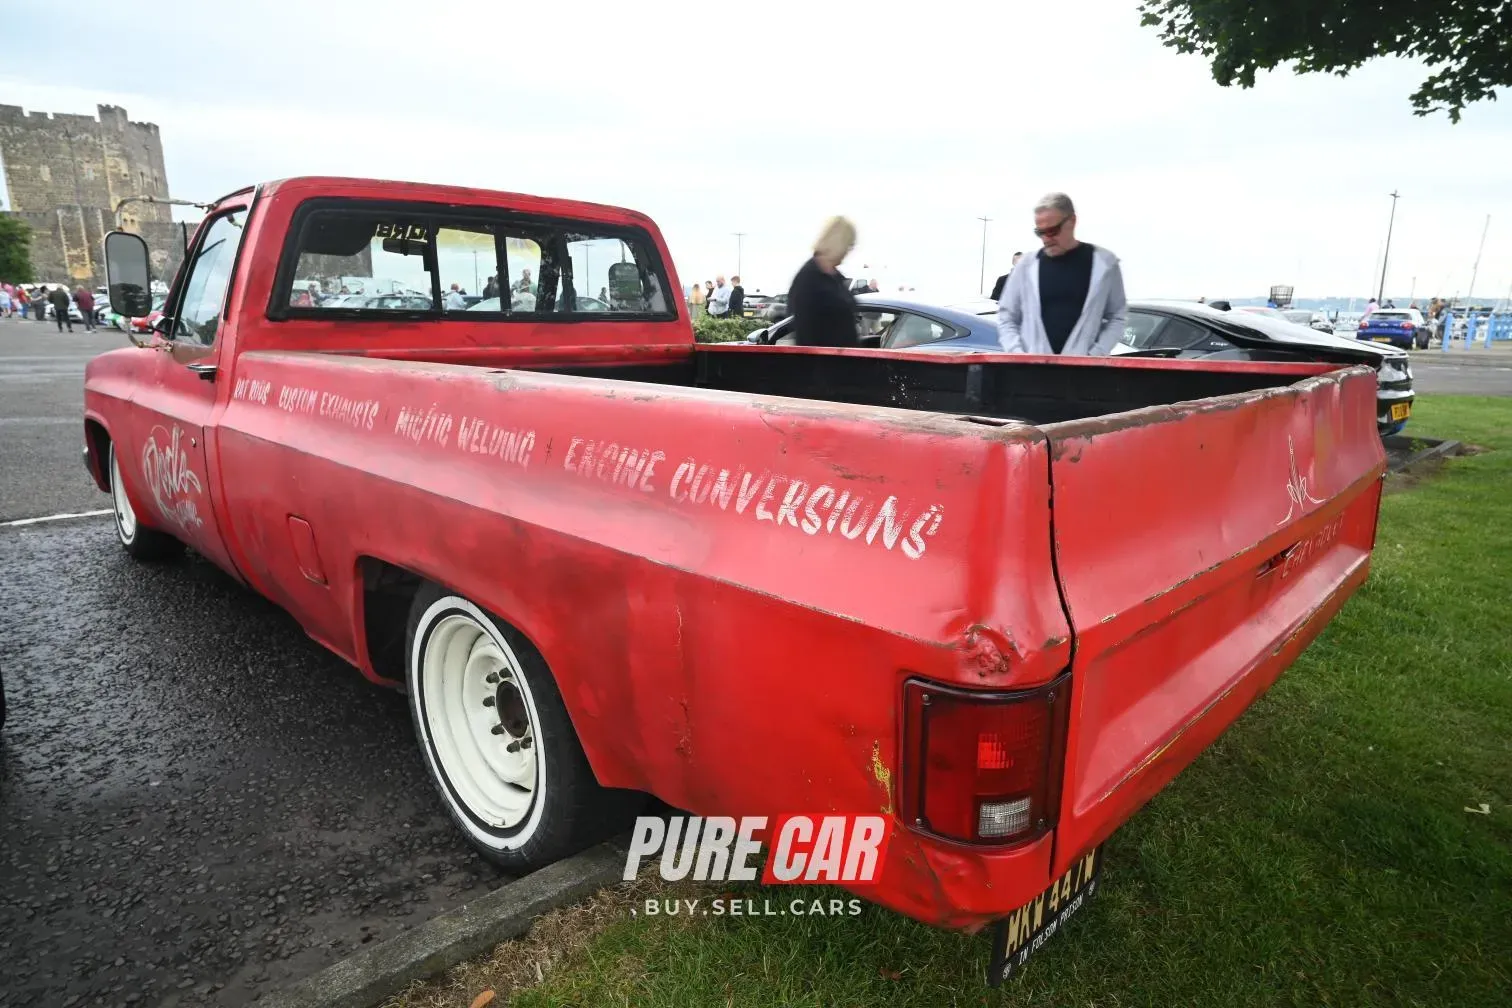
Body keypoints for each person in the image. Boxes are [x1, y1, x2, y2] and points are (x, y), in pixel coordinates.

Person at [996, 193, 1126, 356]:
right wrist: (1018, 354)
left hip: (1084, 373)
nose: (1046, 238)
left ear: (1072, 221)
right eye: (1040, 232)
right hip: (1031, 372)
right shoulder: (1026, 265)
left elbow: (1117, 316)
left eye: (1052, 231)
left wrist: (1096, 354)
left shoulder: (1105, 263)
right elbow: (1006, 316)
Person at [786, 215, 860, 347]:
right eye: (848, 246)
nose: (848, 252)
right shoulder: (808, 279)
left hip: (844, 361)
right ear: (838, 243)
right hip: (823, 363)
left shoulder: (835, 277)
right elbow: (805, 333)